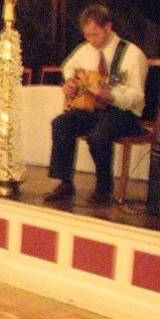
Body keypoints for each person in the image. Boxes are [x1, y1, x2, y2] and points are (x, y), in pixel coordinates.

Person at [44, 5, 148, 205]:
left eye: (95, 34)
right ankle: (65, 183)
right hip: (94, 110)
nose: (91, 40)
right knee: (61, 123)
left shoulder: (132, 54)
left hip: (123, 112)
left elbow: (137, 97)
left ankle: (104, 188)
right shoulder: (85, 50)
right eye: (87, 35)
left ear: (108, 27)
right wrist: (70, 83)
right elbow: (69, 66)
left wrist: (110, 95)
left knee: (98, 136)